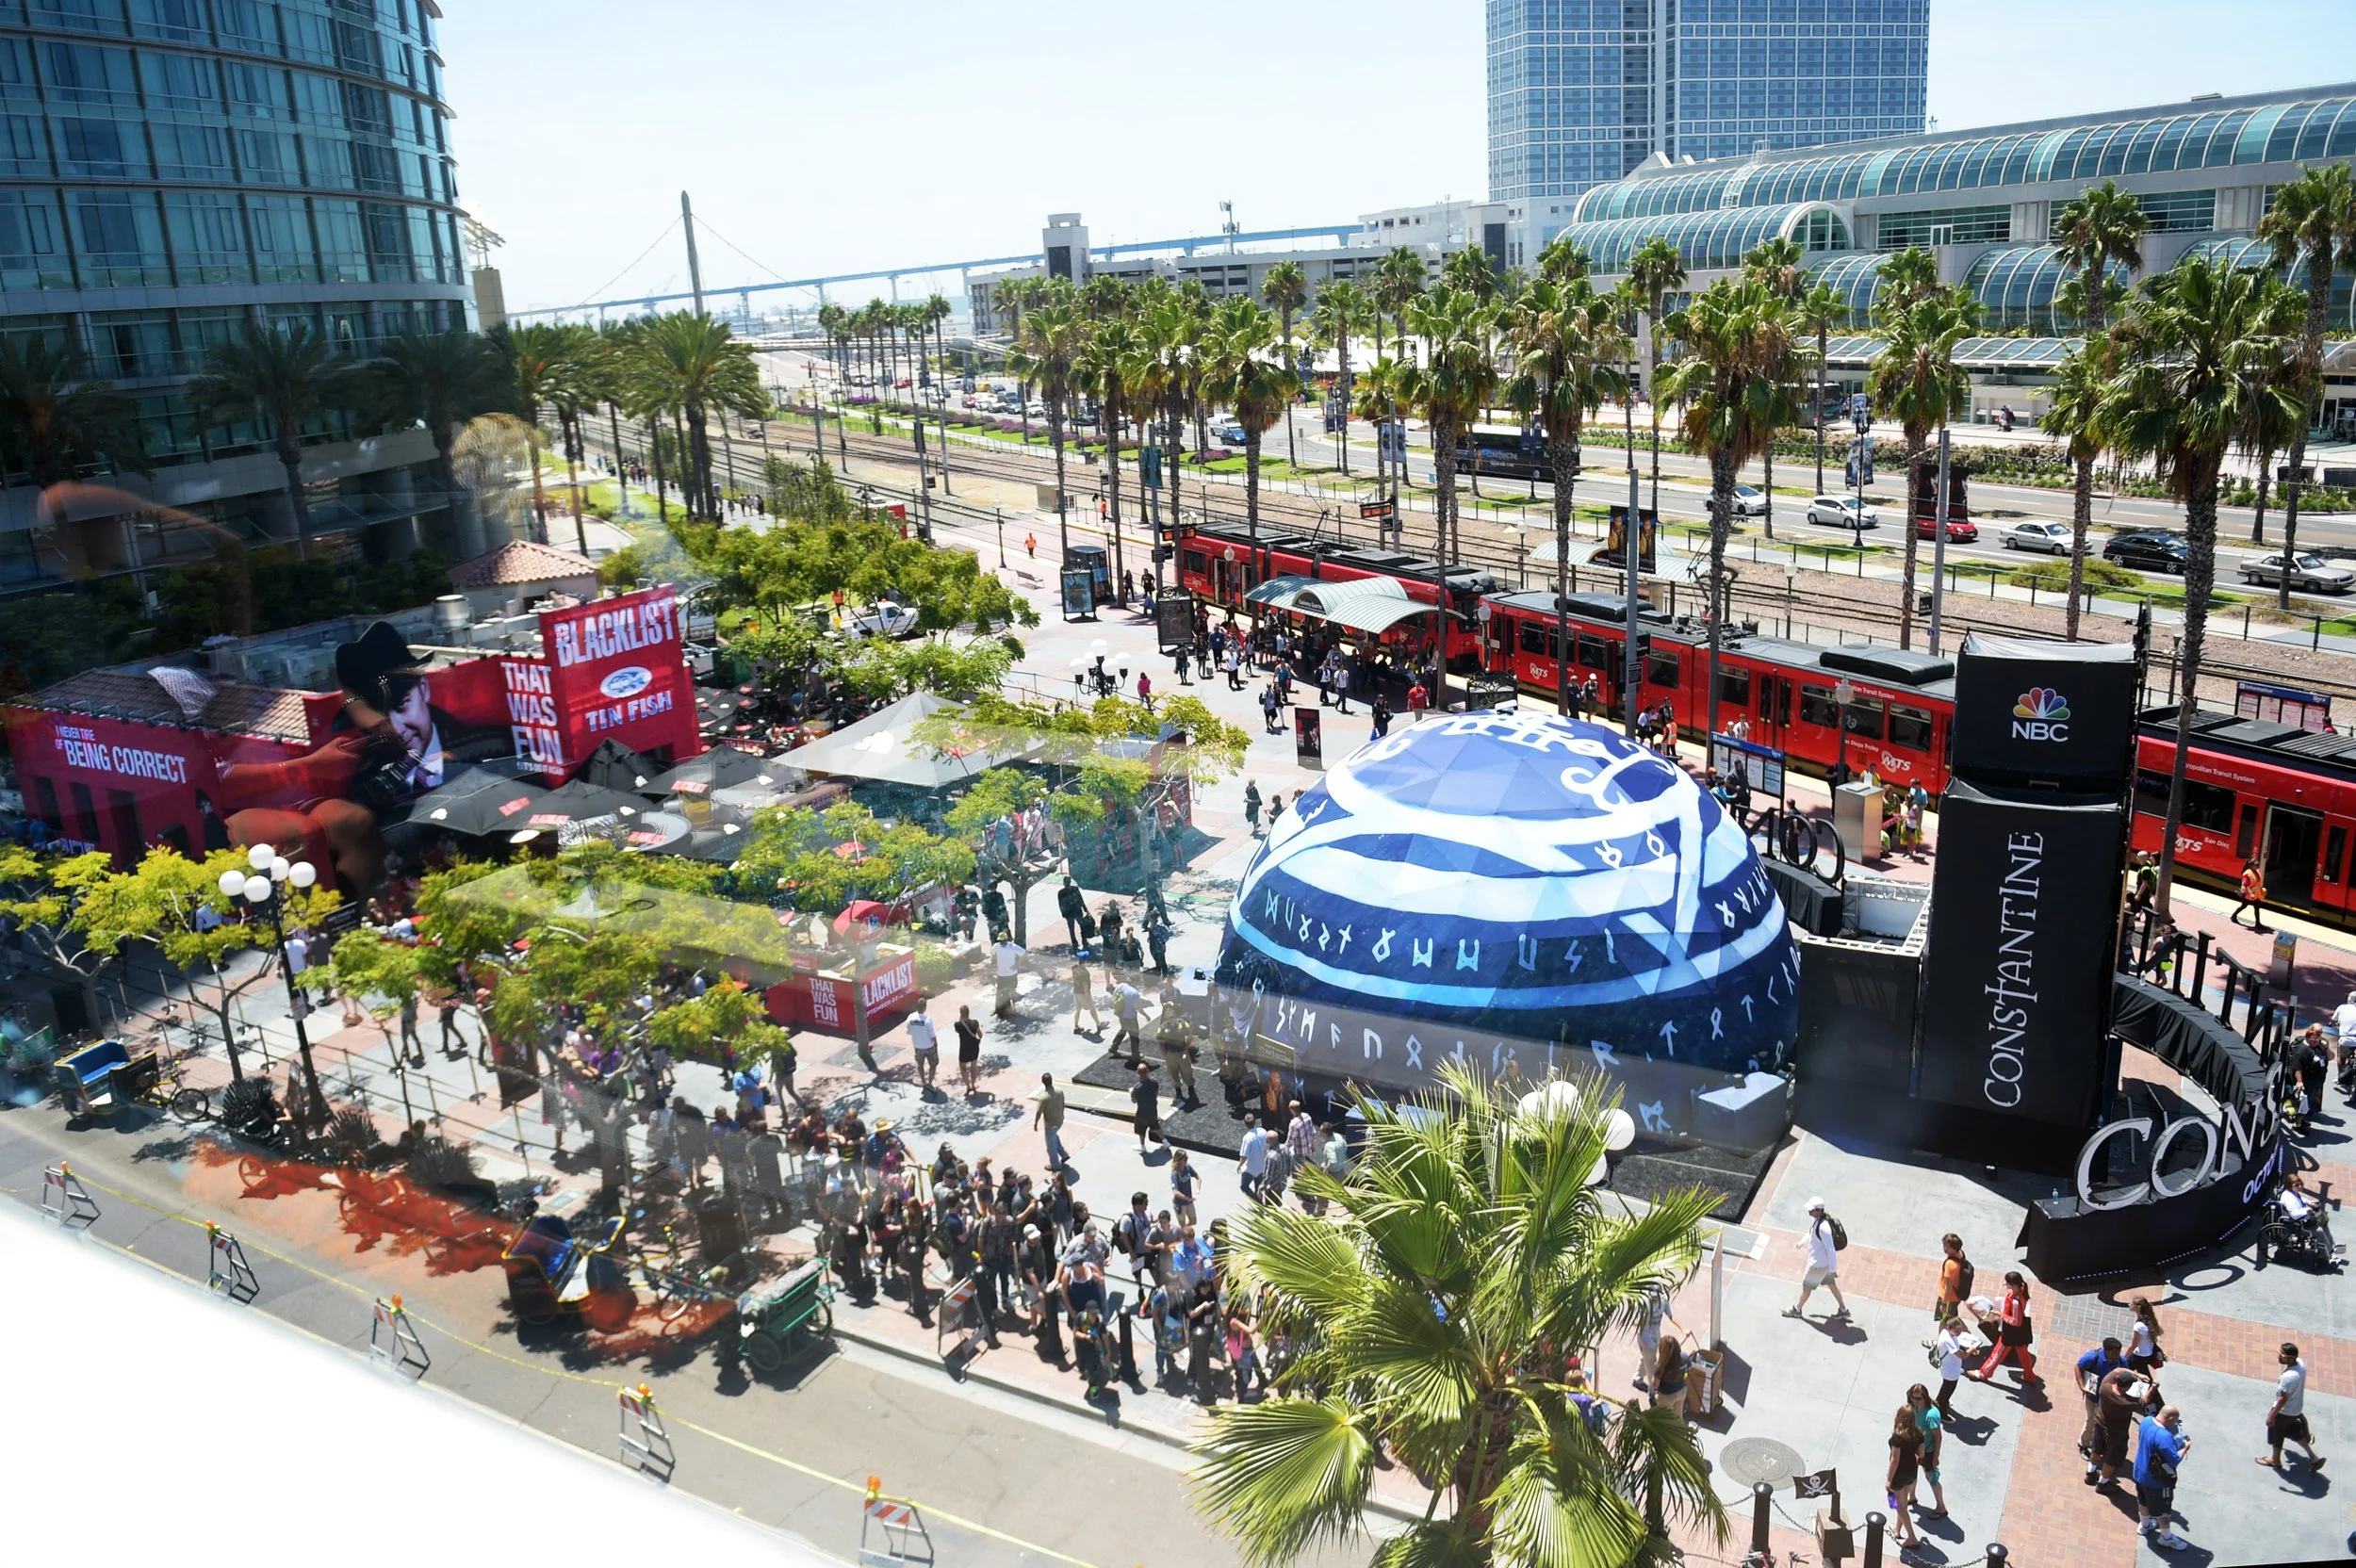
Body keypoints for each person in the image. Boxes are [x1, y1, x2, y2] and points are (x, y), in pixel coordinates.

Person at [2135, 1404, 2192, 1551]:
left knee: (2143, 1500)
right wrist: (2185, 1448)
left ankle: (2145, 1525)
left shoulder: (2146, 1421)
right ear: (2170, 1418)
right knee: (2163, 1511)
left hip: (2139, 1472)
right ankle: (2166, 1538)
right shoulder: (2164, 1436)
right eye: (2175, 1421)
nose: (2175, 1424)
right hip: (2156, 1482)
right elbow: (2174, 1459)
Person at [2263, 1341, 2325, 1472]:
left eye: (2282, 1355)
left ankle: (2275, 1460)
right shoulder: (2300, 1364)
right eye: (2279, 1353)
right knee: (2293, 1432)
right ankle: (2314, 1458)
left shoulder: (2289, 1378)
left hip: (2285, 1412)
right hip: (2295, 1410)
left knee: (2277, 1434)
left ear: (2291, 1358)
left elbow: (2283, 1398)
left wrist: (2272, 1415)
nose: (2279, 1357)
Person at [2076, 1336, 2131, 1482]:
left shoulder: (2121, 1361)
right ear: (2106, 1351)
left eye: (2119, 1351)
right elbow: (2078, 1367)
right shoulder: (2092, 1357)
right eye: (2114, 1352)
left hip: (2108, 1401)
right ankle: (2084, 1442)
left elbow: (2127, 1373)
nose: (2117, 1355)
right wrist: (2082, 1386)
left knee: (2101, 1424)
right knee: (2091, 1420)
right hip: (2093, 1397)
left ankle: (2098, 1446)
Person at [1972, 1270, 2040, 1385]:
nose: (2006, 1285)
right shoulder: (2022, 1291)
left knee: (1997, 1353)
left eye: (2007, 1283)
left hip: (2011, 1332)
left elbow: (2015, 1321)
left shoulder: (2015, 1302)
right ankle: (2029, 1377)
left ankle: (1984, 1373)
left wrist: (2001, 1315)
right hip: (2021, 1332)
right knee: (2024, 1355)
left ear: (2013, 1285)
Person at [1788, 1197, 1848, 1319]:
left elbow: (1831, 1249)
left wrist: (1833, 1269)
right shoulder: (1818, 1220)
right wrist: (1802, 1241)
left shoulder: (1823, 1227)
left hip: (1817, 1265)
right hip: (1823, 1265)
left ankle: (1796, 1309)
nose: (1809, 1212)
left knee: (1806, 1288)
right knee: (1831, 1285)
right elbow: (1811, 1233)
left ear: (1819, 1210)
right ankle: (1843, 1309)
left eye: (1811, 1210)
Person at [1634, 1282, 1689, 1396]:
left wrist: (1683, 1329)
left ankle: (1637, 1379)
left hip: (1656, 1332)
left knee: (1647, 1357)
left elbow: (1671, 1315)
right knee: (1651, 1363)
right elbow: (1634, 1321)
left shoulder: (1663, 1300)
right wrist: (1640, 1323)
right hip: (1645, 1334)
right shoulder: (1642, 1302)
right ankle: (1652, 1392)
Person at [1907, 1382, 1948, 1519]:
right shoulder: (1914, 1408)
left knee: (1932, 1478)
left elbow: (1938, 1437)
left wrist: (1936, 1456)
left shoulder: (1931, 1415)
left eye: (1918, 1398)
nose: (1915, 1401)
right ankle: (1911, 1496)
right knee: (1911, 1473)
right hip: (1915, 1448)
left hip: (1928, 1451)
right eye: (1913, 1397)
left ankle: (1941, 1507)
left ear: (1924, 1397)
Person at [1884, 1406, 1923, 1548]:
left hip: (1899, 1475)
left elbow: (1895, 1460)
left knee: (1900, 1506)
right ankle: (1897, 1529)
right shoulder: (1918, 1435)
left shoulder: (1897, 1438)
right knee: (1903, 1502)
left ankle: (1912, 1537)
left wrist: (1889, 1479)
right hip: (1911, 1472)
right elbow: (1921, 1455)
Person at [1933, 1232, 1973, 1327]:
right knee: (1952, 1316)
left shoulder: (1950, 1265)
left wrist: (1944, 1304)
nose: (1945, 1248)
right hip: (1955, 1297)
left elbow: (1949, 1287)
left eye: (1947, 1247)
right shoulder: (1960, 1254)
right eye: (1944, 1245)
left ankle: (1943, 1340)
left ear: (1954, 1248)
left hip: (1949, 1299)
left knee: (1945, 1322)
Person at [1033, 1073, 1070, 1172]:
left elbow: (1039, 1112)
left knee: (1050, 1146)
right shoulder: (1059, 1091)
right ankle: (1064, 1154)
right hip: (1060, 1120)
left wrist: (1035, 1123)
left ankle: (1055, 1165)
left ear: (1042, 1082)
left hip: (1050, 1124)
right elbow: (1063, 1104)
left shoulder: (1043, 1097)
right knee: (1054, 1137)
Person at [906, 999, 941, 1091]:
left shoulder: (910, 1018)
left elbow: (908, 1031)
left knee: (920, 1065)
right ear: (925, 1007)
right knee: (933, 1065)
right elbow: (932, 1035)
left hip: (918, 1047)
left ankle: (924, 1082)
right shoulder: (928, 1020)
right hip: (929, 1047)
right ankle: (930, 1082)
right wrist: (936, 1043)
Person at [1129, 1059, 1163, 1153]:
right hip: (1153, 1109)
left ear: (1138, 1073)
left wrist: (1131, 1093)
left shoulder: (1137, 1088)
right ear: (1147, 1071)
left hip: (1142, 1112)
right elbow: (1156, 1094)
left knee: (1141, 1129)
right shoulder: (1154, 1083)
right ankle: (1165, 1142)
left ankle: (1142, 1146)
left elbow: (1134, 1101)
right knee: (1155, 1125)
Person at [2127, 1296, 2165, 1375]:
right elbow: (2160, 1331)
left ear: (2138, 1307)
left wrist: (2124, 1357)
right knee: (2142, 1373)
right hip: (2147, 1352)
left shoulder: (2139, 1326)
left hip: (2139, 1354)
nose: (2129, 1304)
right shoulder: (2149, 1319)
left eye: (2132, 1303)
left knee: (2123, 1370)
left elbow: (2133, 1345)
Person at [1111, 976, 1146, 1059]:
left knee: (1123, 1030)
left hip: (1121, 1014)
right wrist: (1146, 1015)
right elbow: (1138, 1007)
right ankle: (1135, 1054)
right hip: (1131, 1017)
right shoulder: (1134, 993)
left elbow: (1114, 996)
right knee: (1134, 1036)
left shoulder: (1121, 985)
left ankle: (1114, 1047)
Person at [1237, 1113, 1270, 1200]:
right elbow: (1268, 1144)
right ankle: (1259, 1200)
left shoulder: (1247, 1138)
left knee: (1244, 1186)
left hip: (1250, 1168)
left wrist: (1239, 1165)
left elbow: (1244, 1156)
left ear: (1245, 1123)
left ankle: (1256, 1201)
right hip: (1262, 1165)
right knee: (1259, 1186)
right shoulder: (1263, 1131)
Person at [955, 1004, 984, 1096]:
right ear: (968, 1013)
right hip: (974, 1047)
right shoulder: (975, 1023)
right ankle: (973, 1084)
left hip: (964, 1048)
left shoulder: (958, 1025)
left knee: (963, 1068)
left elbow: (958, 1031)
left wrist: (961, 1020)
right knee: (974, 1067)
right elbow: (980, 1035)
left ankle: (968, 1086)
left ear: (960, 1014)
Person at [1070, 957, 1104, 1036]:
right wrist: (1087, 997)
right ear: (1084, 962)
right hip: (1083, 993)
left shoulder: (1075, 969)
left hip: (1076, 992)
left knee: (1078, 1009)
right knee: (1092, 1009)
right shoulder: (1084, 972)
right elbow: (1085, 986)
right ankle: (1098, 1025)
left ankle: (1076, 1027)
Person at [2233, 858, 2269, 929]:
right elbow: (2246, 885)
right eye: (2256, 865)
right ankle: (2234, 916)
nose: (2258, 866)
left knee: (2257, 908)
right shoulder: (2247, 874)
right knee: (2244, 906)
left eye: (2258, 864)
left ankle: (2258, 923)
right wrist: (2251, 894)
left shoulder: (2257, 871)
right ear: (2251, 866)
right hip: (2248, 895)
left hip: (2256, 895)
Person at [992, 935, 1023, 1017]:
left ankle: (1014, 1009)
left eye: (1003, 941)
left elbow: (1023, 953)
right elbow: (993, 955)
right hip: (1001, 974)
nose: (1002, 943)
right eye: (1000, 941)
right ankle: (996, 1009)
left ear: (1006, 940)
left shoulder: (1013, 946)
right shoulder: (996, 946)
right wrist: (995, 963)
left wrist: (1017, 964)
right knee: (998, 991)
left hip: (1011, 973)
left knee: (1012, 991)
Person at [1057, 874, 1088, 952]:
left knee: (1072, 929)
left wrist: (1064, 913)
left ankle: (1075, 944)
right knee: (1082, 926)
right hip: (1077, 911)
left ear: (1064, 883)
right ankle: (1084, 941)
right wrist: (1084, 908)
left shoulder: (1061, 892)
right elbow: (1080, 899)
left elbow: (1061, 904)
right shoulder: (1075, 889)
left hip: (1069, 913)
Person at [1170, 1148, 1199, 1227]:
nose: (1186, 1160)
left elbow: (1198, 1178)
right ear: (1179, 1160)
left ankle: (1185, 1232)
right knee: (1182, 1225)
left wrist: (1197, 1191)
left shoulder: (1188, 1167)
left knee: (1193, 1221)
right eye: (1184, 1159)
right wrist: (1187, 1198)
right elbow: (1175, 1192)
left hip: (1189, 1202)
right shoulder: (1175, 1174)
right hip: (1180, 1204)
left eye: (1187, 1158)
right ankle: (1185, 1234)